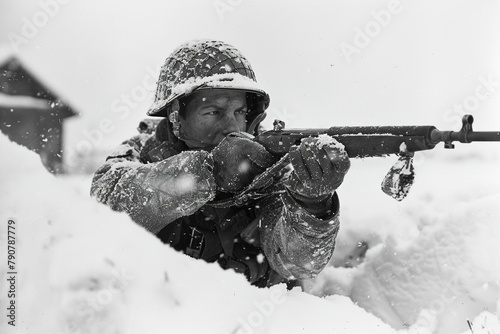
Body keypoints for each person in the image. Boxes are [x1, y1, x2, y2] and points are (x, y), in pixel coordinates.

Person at [90, 40, 350, 288]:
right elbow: (105, 208)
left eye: (239, 112)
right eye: (214, 112)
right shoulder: (140, 153)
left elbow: (299, 266)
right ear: (176, 117)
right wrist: (210, 171)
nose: (232, 126)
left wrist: (312, 206)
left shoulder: (269, 169)